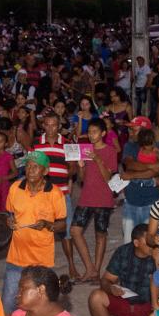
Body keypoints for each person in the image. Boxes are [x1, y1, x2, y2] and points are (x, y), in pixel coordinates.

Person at [2, 151, 67, 315]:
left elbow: (62, 225)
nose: (30, 170)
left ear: (45, 171)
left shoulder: (54, 193)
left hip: (41, 260)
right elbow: (9, 213)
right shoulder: (16, 188)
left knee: (37, 306)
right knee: (9, 303)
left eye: (35, 167)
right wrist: (8, 221)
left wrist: (47, 224)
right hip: (17, 256)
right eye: (28, 166)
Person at [88, 226, 157, 316]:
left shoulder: (158, 255)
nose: (153, 244)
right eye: (148, 241)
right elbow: (105, 280)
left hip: (150, 307)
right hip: (126, 303)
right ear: (136, 243)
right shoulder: (123, 252)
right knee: (96, 297)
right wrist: (111, 288)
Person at [69, 117, 121, 277]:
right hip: (86, 196)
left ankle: (96, 271)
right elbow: (82, 179)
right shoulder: (85, 149)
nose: (91, 135)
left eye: (94, 132)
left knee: (100, 234)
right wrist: (80, 166)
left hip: (103, 198)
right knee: (75, 230)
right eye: (89, 132)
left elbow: (108, 178)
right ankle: (90, 268)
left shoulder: (110, 151)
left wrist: (97, 158)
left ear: (103, 133)